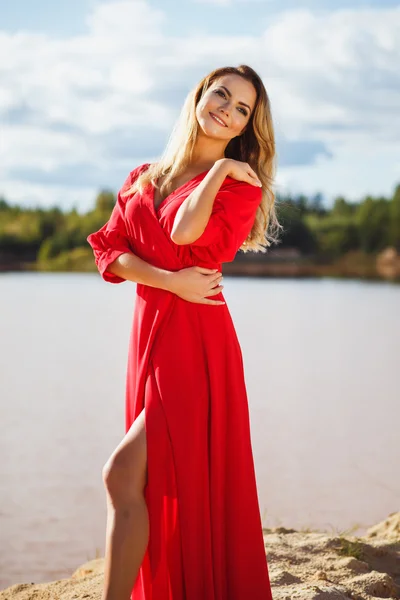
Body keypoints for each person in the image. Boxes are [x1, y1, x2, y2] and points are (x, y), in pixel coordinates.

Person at [87, 64, 281, 600]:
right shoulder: (143, 176)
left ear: (246, 127)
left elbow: (182, 231)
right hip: (152, 329)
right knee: (144, 480)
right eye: (221, 94)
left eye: (242, 108)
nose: (227, 108)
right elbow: (109, 251)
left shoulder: (240, 187)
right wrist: (169, 280)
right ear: (200, 95)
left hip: (197, 343)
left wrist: (218, 171)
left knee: (121, 474)